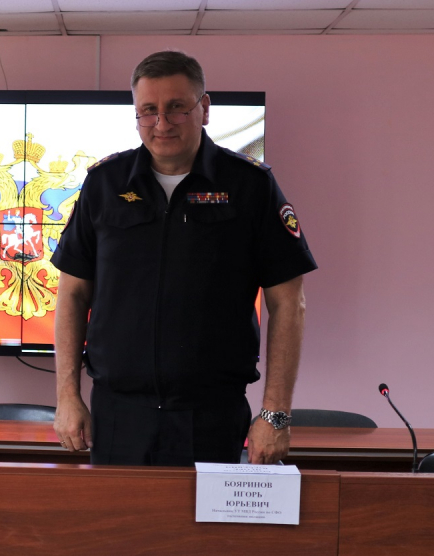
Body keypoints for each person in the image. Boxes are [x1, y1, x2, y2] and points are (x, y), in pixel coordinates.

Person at [50, 51, 317, 466]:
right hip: (118, 415)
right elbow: (71, 294)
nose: (162, 123)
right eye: (148, 110)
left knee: (208, 516)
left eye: (176, 107)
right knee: (115, 513)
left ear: (204, 109)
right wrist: (67, 396)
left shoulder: (250, 185)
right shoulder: (104, 184)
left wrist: (275, 413)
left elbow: (288, 303)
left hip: (212, 416)